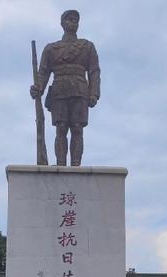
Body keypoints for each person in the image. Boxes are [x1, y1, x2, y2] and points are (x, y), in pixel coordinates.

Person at [30, 9, 101, 166]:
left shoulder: (87, 46)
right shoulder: (51, 49)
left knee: (77, 128)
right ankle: (61, 164)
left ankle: (76, 165)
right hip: (59, 91)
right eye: (69, 19)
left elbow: (94, 71)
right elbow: (43, 73)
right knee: (61, 129)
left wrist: (94, 93)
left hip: (80, 90)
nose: (73, 22)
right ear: (62, 23)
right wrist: (38, 88)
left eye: (75, 20)